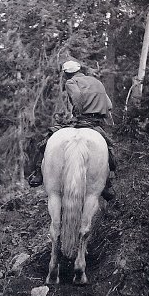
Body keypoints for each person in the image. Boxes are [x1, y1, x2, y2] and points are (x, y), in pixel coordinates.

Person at [28, 59, 116, 201]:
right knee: (109, 149)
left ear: (66, 74)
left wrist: (78, 114)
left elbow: (77, 98)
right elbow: (109, 105)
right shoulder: (96, 82)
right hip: (97, 123)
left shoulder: (70, 82)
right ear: (79, 70)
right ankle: (107, 183)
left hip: (82, 120)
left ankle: (38, 174)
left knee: (48, 138)